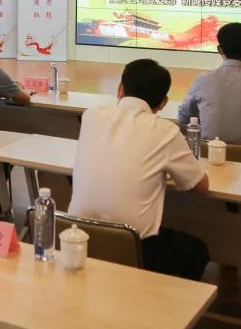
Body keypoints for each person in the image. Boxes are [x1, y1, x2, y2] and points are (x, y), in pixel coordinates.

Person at [69, 59, 210, 281]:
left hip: (78, 237)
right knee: (196, 251)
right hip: (133, 247)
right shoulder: (166, 131)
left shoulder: (91, 116)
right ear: (163, 103)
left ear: (120, 89)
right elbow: (199, 186)